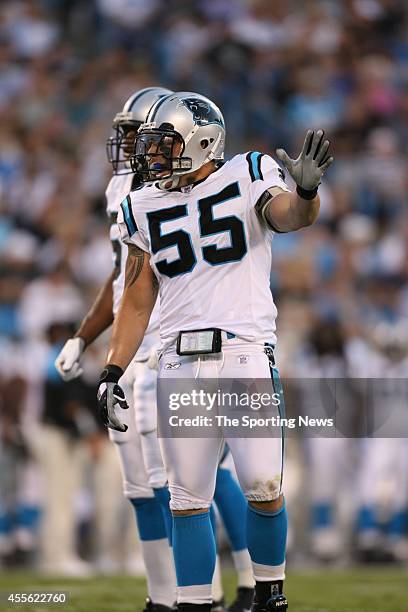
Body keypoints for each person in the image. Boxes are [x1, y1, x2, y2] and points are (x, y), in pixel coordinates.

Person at [97, 90, 333, 611]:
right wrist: (112, 369)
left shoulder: (248, 171)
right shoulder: (142, 203)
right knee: (186, 499)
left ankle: (270, 594)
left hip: (244, 352)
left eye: (165, 144)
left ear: (203, 142)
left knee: (262, 485)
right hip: (179, 361)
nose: (152, 156)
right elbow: (136, 302)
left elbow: (290, 215)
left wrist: (309, 192)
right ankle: (194, 603)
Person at [56, 87, 255, 612]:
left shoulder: (192, 182)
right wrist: (84, 336)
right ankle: (168, 597)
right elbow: (123, 277)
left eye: (137, 132)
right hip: (135, 344)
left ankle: (235, 586)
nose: (128, 144)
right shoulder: (127, 189)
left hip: (171, 344)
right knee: (143, 487)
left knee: (190, 480)